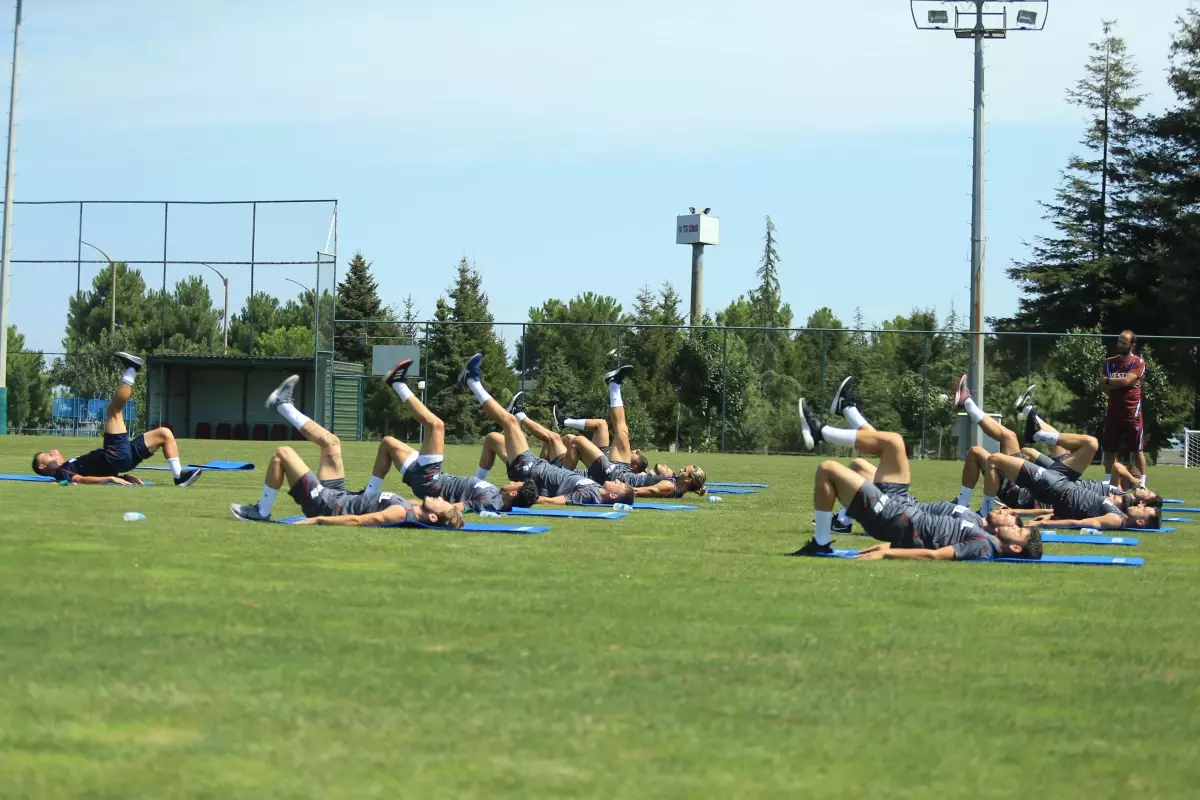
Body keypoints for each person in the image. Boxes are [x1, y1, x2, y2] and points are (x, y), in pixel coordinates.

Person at [791, 386, 1040, 561]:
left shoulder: (983, 546)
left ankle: (821, 543)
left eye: (1019, 529)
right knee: (893, 442)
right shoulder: (985, 535)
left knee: (828, 469)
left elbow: (934, 554)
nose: (1011, 517)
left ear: (1016, 548)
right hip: (905, 509)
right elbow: (931, 539)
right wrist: (893, 545)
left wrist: (888, 552)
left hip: (896, 516)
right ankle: (828, 426)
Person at [230, 374, 463, 528]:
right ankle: (282, 405)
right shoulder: (412, 507)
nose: (441, 497)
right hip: (339, 495)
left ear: (433, 517)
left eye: (444, 503)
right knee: (331, 443)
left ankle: (261, 511)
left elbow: (358, 520)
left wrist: (317, 520)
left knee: (283, 453)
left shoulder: (401, 514)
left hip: (326, 505)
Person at [462, 353, 635, 506]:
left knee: (509, 421)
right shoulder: (595, 486)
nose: (619, 481)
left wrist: (525, 494)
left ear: (613, 494)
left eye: (620, 485)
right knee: (493, 438)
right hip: (537, 467)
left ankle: (472, 380)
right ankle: (475, 486)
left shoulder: (591, 495)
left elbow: (555, 501)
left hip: (530, 471)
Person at [370, 359, 538, 513]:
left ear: (515, 492)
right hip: (432, 480)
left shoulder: (490, 502)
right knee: (388, 443)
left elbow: (454, 508)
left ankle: (398, 383)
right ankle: (368, 496)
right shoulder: (495, 494)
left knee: (437, 426)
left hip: (432, 482)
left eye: (516, 483)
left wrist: (416, 508)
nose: (513, 481)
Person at [31, 352, 202, 487]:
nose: (51, 453)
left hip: (119, 459)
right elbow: (81, 480)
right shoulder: (62, 472)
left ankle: (179, 477)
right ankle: (132, 369)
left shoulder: (66, 464)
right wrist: (111, 479)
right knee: (113, 411)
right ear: (42, 467)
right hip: (114, 457)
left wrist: (122, 476)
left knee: (164, 434)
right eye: (46, 455)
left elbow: (95, 471)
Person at [985, 405, 1161, 531]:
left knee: (996, 458)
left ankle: (985, 512)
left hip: (1058, 488)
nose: (1141, 506)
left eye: (1144, 510)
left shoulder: (1116, 519)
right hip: (1063, 485)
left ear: (1139, 522)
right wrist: (1050, 517)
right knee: (1090, 443)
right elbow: (1078, 514)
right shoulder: (1118, 510)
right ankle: (1036, 431)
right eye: (1144, 506)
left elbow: (1081, 523)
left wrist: (1043, 524)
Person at [1101, 330, 1148, 486]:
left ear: (1132, 344)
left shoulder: (1138, 362)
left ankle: (1142, 483)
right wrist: (1115, 381)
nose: (1120, 345)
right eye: (1119, 341)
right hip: (1113, 412)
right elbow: (1102, 384)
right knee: (1109, 450)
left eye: (1124, 342)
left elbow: (1129, 381)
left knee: (1136, 450)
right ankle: (1110, 483)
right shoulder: (1109, 362)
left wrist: (1111, 381)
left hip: (1131, 412)